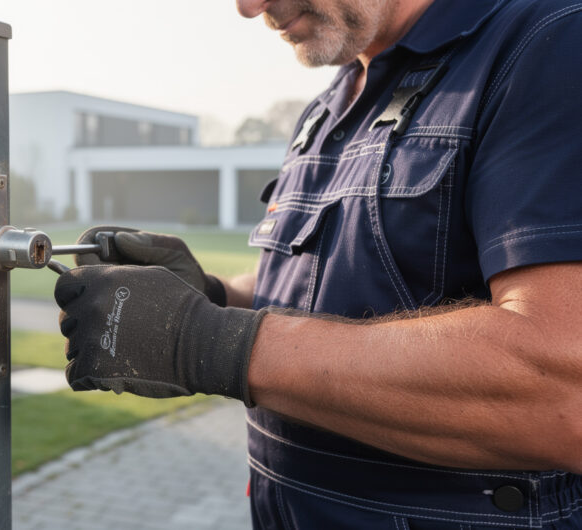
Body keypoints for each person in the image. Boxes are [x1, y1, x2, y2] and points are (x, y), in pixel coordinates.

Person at [53, 0, 582, 527]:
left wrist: (209, 342)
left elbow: (565, 391)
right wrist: (214, 297)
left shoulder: (548, 45)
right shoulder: (329, 105)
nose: (247, 7)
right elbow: (317, 284)